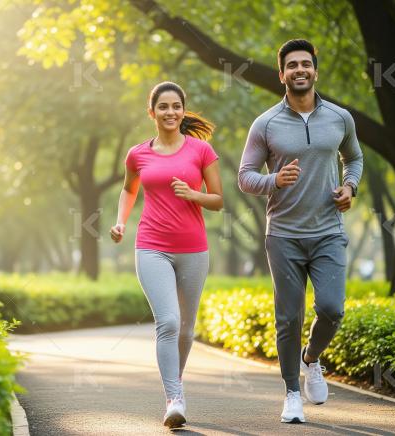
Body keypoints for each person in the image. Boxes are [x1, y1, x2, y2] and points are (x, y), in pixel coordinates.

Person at [237, 39, 364, 424]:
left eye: (305, 63)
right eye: (292, 65)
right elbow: (245, 177)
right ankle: (292, 393)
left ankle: (312, 357)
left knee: (331, 308)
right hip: (284, 236)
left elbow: (354, 158)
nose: (300, 70)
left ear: (315, 70)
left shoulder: (340, 118)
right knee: (288, 318)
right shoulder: (266, 123)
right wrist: (275, 179)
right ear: (282, 75)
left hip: (328, 231)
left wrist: (350, 187)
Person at [110, 81, 223, 428]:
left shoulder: (201, 151)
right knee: (169, 322)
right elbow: (129, 191)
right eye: (163, 107)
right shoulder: (137, 154)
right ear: (152, 112)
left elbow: (218, 200)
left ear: (183, 110)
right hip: (151, 246)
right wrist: (120, 223)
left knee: (187, 330)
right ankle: (174, 397)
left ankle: (176, 383)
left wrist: (193, 194)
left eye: (176, 106)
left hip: (193, 248)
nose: (170, 112)